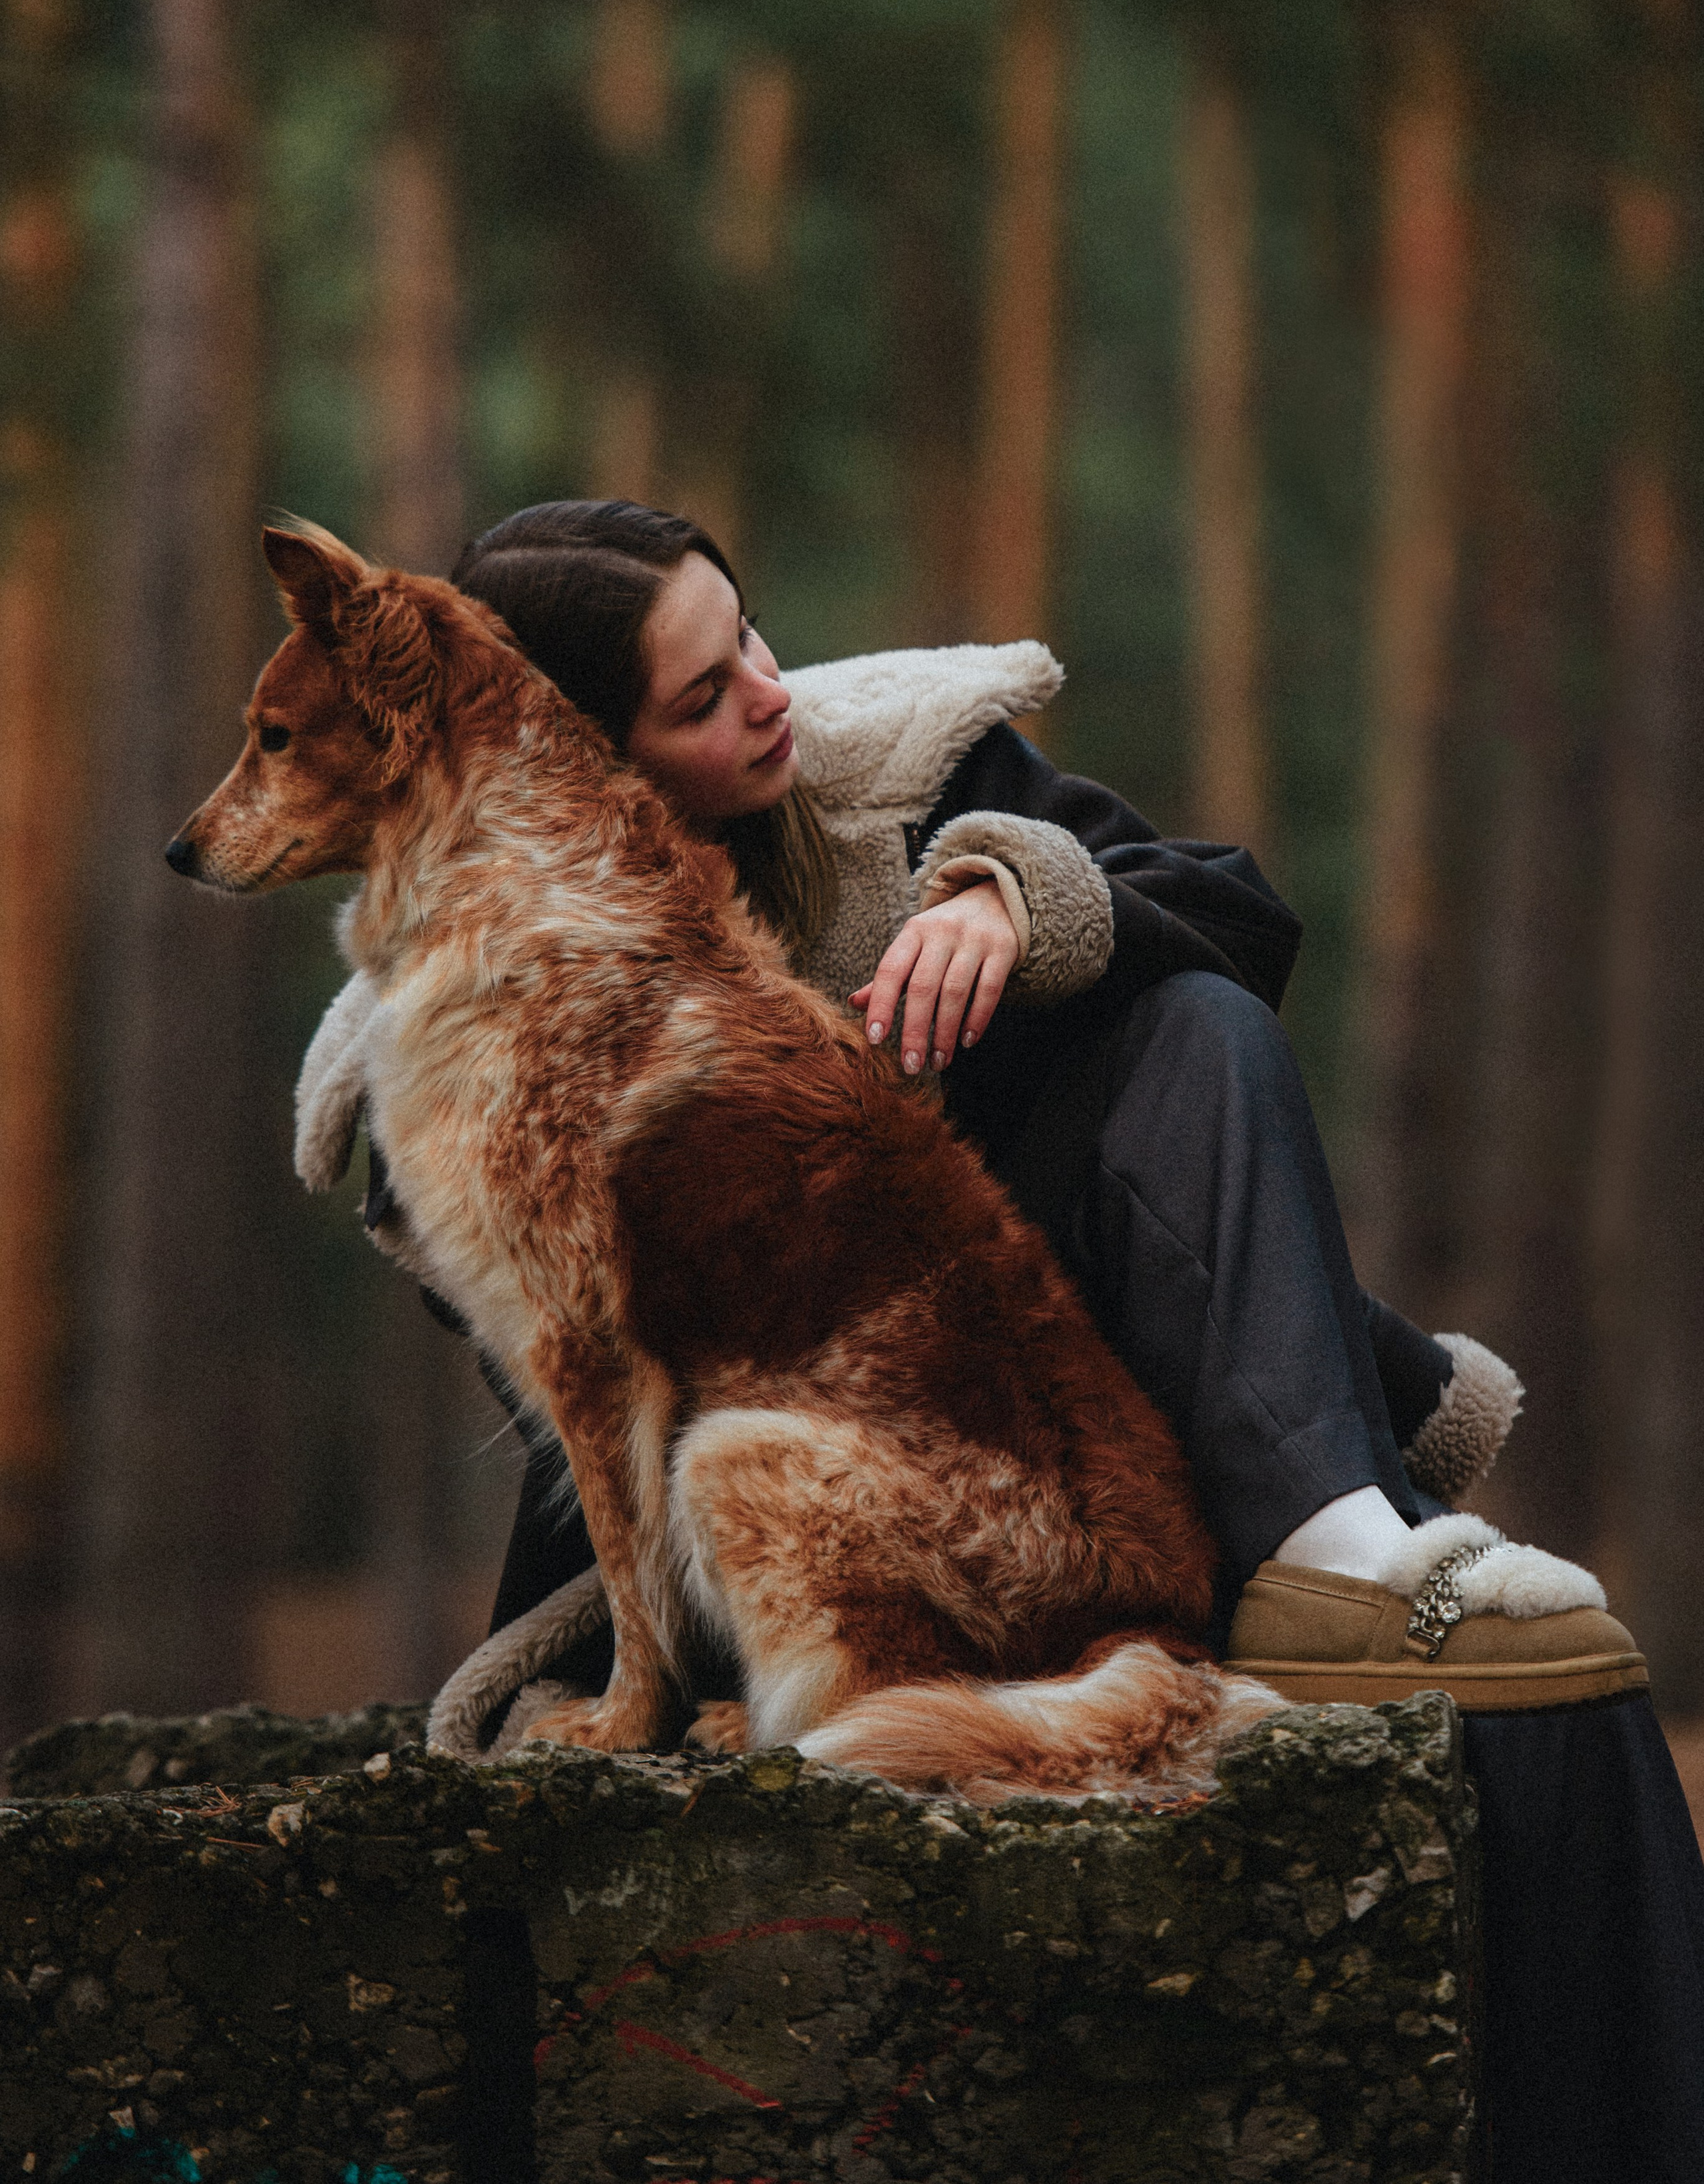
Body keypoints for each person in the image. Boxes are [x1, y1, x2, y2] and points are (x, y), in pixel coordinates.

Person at [308, 498, 1704, 2184]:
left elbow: (1233, 911)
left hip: (1124, 1422)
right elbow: (614, 1397)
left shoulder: (890, 773)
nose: (768, 692)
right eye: (701, 696)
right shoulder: (459, 1022)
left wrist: (1009, 895)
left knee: (1567, 1703)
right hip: (816, 1518)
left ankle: (1335, 1545)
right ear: (589, 767)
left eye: (745, 634)